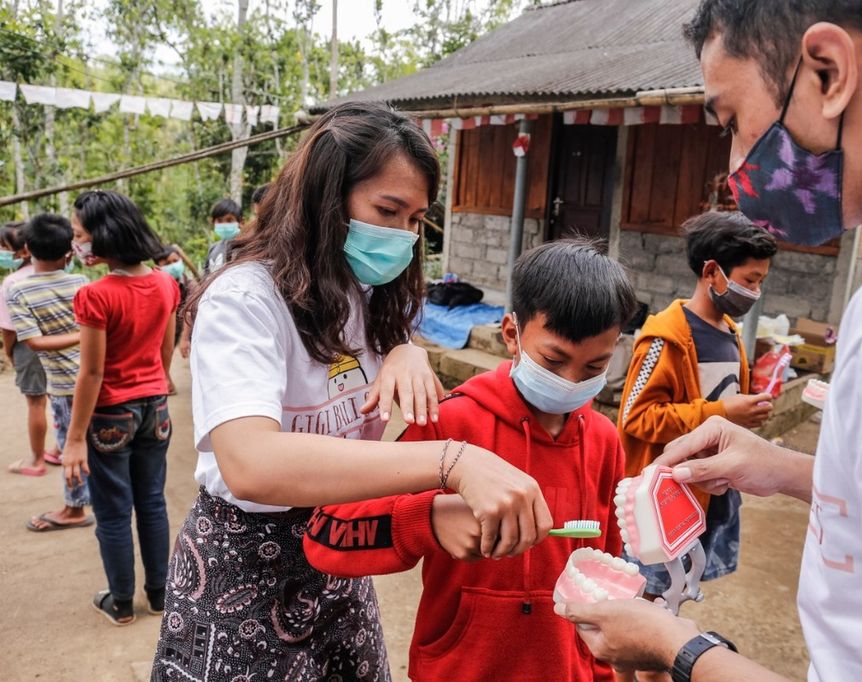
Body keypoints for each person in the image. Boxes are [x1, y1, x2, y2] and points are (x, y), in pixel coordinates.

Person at [557, 1, 862, 680]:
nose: (736, 161)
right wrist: (793, 470)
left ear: (828, 72)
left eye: (732, 121)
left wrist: (676, 648)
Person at [151, 102, 552, 681]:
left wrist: (404, 349)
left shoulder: (365, 293)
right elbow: (250, 462)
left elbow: (376, 348)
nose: (403, 236)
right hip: (245, 565)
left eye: (415, 220)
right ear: (324, 198)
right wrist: (451, 461)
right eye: (387, 210)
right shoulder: (246, 300)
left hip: (342, 548)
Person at [305, 239, 637, 682]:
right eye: (554, 361)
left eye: (594, 368)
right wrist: (428, 520)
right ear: (511, 334)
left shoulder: (603, 440)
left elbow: (605, 572)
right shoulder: (450, 424)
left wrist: (598, 671)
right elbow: (329, 532)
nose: (571, 383)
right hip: (461, 669)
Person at [614, 211, 776, 682]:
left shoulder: (731, 334)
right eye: (749, 280)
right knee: (646, 603)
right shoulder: (665, 339)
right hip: (667, 501)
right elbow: (635, 417)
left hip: (708, 497)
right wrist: (723, 414)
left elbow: (722, 404)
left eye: (761, 281)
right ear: (712, 272)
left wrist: (744, 410)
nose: (755, 292)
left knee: (672, 598)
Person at [61, 190, 179, 626]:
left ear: (104, 236)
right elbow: (164, 353)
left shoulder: (95, 295)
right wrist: (154, 387)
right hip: (156, 409)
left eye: (80, 235)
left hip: (111, 413)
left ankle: (122, 601)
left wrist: (74, 439)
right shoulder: (167, 282)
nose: (78, 244)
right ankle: (160, 594)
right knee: (151, 501)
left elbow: (91, 374)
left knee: (112, 511)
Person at [7, 213, 94, 531]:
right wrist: (86, 335)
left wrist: (83, 335)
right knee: (92, 442)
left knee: (72, 444)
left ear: (26, 248)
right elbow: (92, 330)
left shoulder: (18, 290)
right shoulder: (82, 283)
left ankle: (74, 509)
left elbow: (34, 342)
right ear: (70, 249)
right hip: (93, 376)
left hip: (62, 385)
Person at [1, 221, 54, 475]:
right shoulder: (52, 271)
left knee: (36, 403)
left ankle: (37, 461)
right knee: (62, 399)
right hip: (60, 345)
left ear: (22, 250)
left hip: (28, 347)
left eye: (2, 247)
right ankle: (62, 450)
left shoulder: (11, 282)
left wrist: (10, 351)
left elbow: (9, 329)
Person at [154, 245, 197, 393]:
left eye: (175, 261)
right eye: (166, 264)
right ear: (158, 267)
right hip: (169, 324)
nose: (172, 266)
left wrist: (184, 339)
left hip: (190, 324)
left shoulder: (190, 285)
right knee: (164, 352)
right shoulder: (158, 284)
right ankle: (166, 381)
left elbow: (189, 312)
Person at [202, 197, 241, 276]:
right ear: (213, 223)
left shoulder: (245, 247)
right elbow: (206, 276)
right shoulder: (213, 249)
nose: (224, 224)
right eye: (219, 221)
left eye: (229, 220)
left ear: (240, 222)